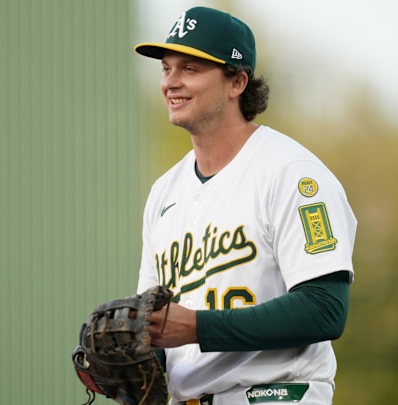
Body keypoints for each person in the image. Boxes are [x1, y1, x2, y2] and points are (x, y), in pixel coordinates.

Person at [134, 6, 356, 405]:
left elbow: (325, 308)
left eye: (190, 68)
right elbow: (163, 329)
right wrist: (134, 356)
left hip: (276, 396)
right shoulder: (163, 194)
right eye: (166, 68)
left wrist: (198, 327)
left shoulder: (293, 174)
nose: (171, 82)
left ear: (237, 81)